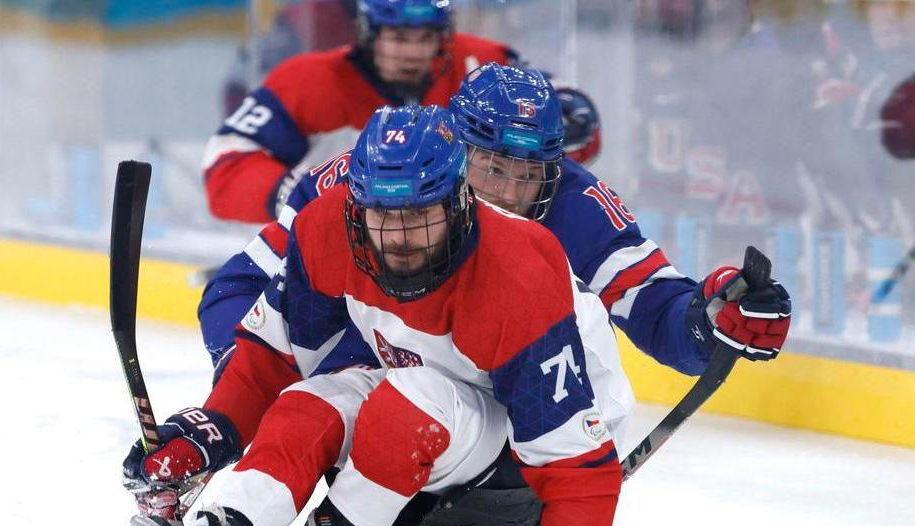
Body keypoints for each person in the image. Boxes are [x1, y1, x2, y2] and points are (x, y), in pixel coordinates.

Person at [126, 105, 637, 526]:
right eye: (382, 215)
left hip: (537, 467)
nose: (398, 236)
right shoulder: (326, 230)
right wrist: (211, 431)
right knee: (310, 402)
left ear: (460, 202)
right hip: (438, 407)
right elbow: (271, 359)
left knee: (413, 399)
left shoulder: (517, 275)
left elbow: (569, 454)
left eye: (419, 215)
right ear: (355, 206)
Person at [199, 62, 793, 381]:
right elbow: (237, 285)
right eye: (492, 166)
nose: (510, 191)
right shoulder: (381, 174)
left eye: (529, 172)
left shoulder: (576, 203)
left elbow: (656, 308)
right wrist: (243, 378)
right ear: (456, 149)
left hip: (499, 415)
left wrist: (711, 319)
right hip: (369, 381)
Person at [202, 0, 602, 223]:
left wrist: (565, 121)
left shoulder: (478, 64)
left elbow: (573, 124)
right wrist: (292, 198)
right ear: (368, 33)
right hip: (345, 252)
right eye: (397, 36)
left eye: (425, 37)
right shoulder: (308, 81)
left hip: (466, 251)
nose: (412, 52)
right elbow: (225, 169)